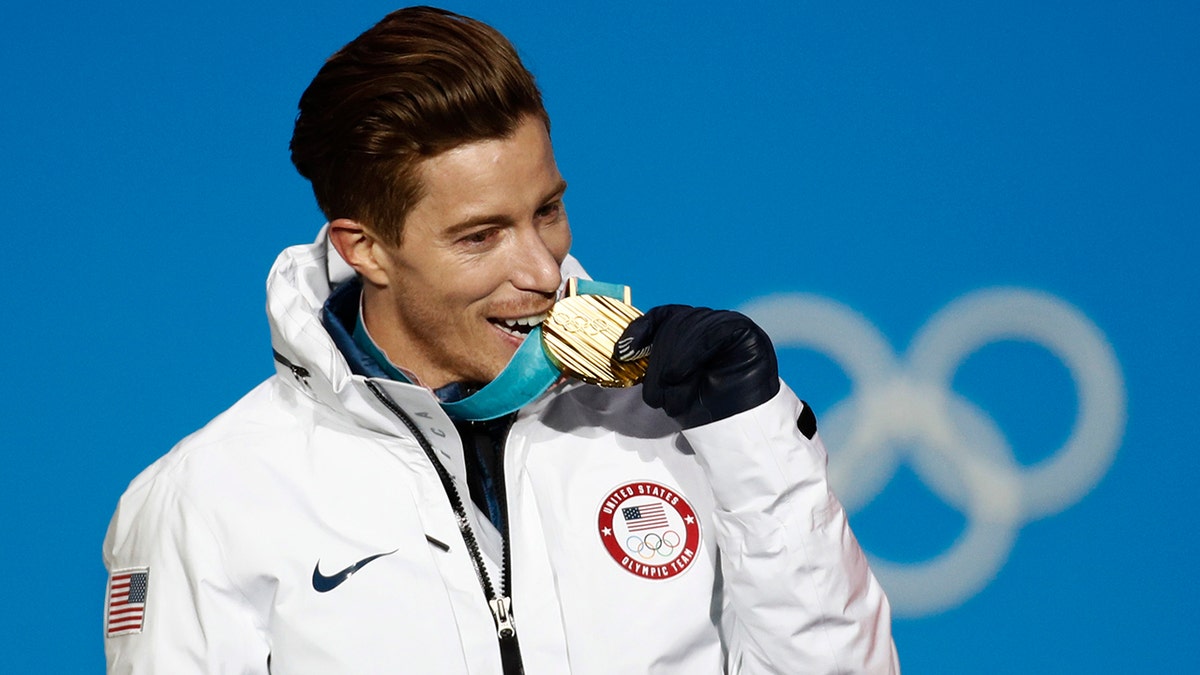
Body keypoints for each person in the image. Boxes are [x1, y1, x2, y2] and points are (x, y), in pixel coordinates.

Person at [103, 6, 899, 673]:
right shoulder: (211, 496)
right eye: (481, 236)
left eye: (546, 211)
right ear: (364, 248)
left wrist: (757, 436)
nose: (542, 267)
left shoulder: (678, 427)